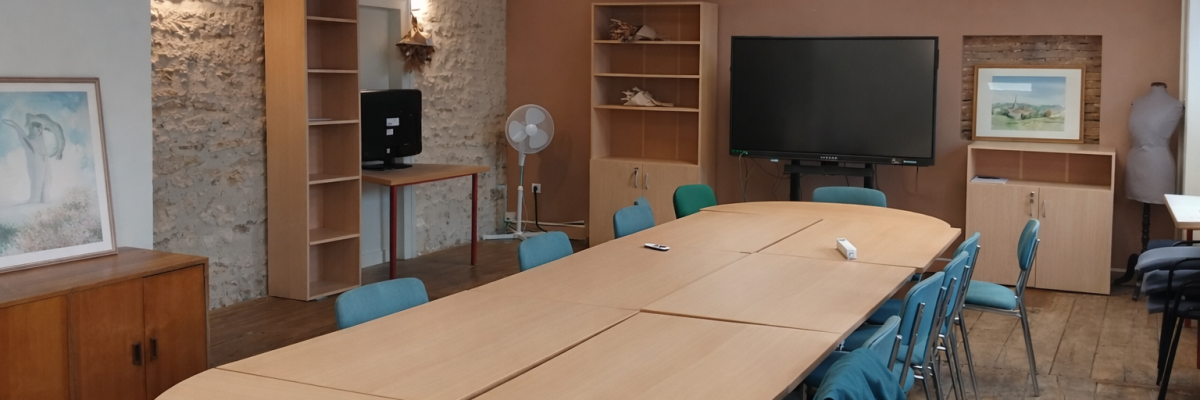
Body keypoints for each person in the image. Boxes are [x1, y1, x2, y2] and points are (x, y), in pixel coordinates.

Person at [2, 113, 65, 204]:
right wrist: (14, 124)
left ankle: (45, 200)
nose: (38, 130)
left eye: (38, 129)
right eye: (34, 129)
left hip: (44, 161)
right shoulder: (29, 141)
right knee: (37, 181)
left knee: (47, 180)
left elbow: (54, 128)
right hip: (36, 164)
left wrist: (59, 150)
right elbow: (21, 134)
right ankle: (34, 201)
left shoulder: (40, 138)